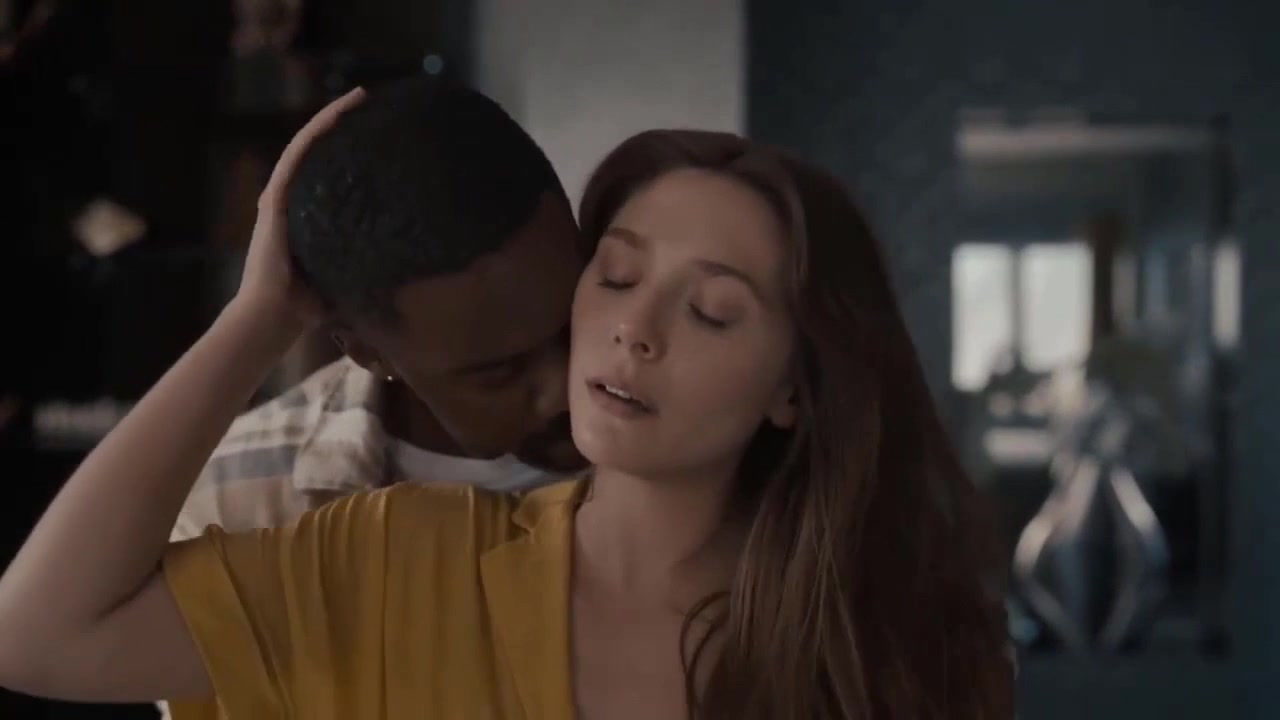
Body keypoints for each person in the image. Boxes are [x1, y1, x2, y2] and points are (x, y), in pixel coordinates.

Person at [0, 99, 1014, 718]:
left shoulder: (899, 643)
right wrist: (257, 317)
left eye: (710, 311)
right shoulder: (393, 557)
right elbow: (36, 635)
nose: (631, 330)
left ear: (796, 383)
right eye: (616, 277)